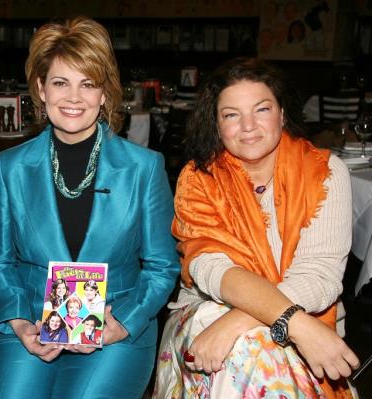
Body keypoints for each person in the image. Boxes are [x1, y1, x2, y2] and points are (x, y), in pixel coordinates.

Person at [0, 16, 179, 399]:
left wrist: (122, 323)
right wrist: (20, 322)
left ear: (104, 93)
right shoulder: (10, 167)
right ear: (40, 88)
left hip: (115, 324)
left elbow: (162, 267)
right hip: (30, 320)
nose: (74, 97)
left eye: (88, 84)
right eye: (60, 82)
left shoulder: (144, 167)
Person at [153, 57, 360, 399]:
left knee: (249, 343)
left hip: (308, 316)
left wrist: (240, 321)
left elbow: (319, 276)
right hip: (204, 311)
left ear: (281, 114)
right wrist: (291, 324)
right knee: (251, 349)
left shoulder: (324, 171)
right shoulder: (201, 176)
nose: (248, 126)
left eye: (261, 110)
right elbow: (208, 266)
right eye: (231, 115)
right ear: (217, 124)